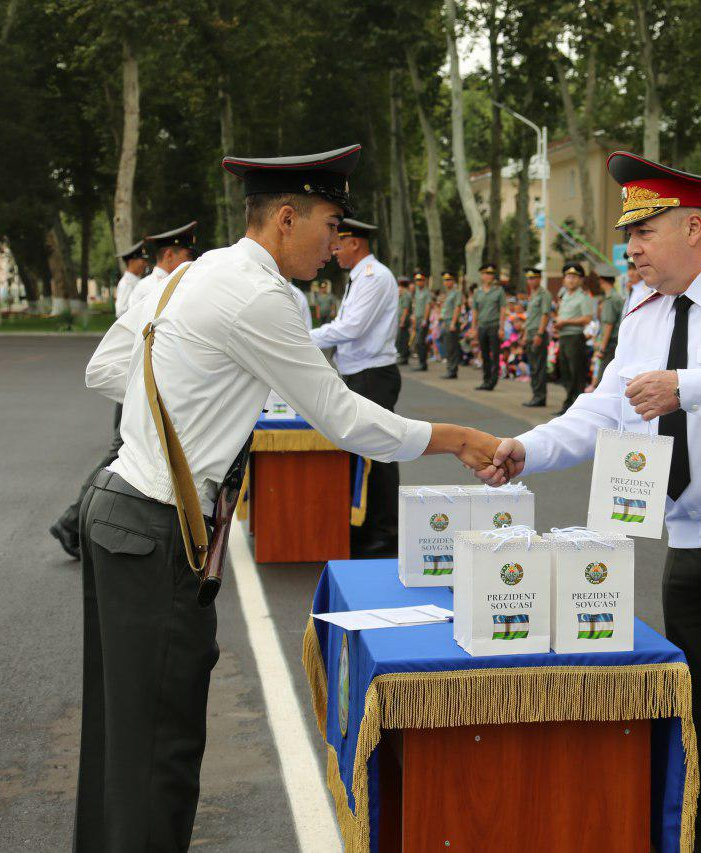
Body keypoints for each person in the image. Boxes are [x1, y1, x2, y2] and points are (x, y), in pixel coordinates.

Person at [75, 144, 503, 853]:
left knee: (121, 745)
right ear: (284, 218)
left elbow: (105, 370)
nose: (334, 241)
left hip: (119, 507)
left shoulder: (188, 274)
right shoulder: (264, 295)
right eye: (329, 223)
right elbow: (346, 419)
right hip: (155, 531)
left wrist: (182, 401)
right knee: (160, 753)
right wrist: (455, 435)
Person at [475, 150, 701, 853]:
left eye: (645, 233)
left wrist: (691, 385)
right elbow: (601, 412)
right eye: (630, 234)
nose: (630, 249)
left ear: (695, 229)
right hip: (690, 542)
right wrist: (529, 450)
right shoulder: (643, 312)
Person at [49, 242, 153, 559]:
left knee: (126, 455)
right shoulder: (143, 288)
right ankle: (71, 523)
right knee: (119, 455)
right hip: (136, 381)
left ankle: (78, 524)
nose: (142, 265)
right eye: (140, 260)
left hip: (139, 379)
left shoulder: (141, 285)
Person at [309, 216, 403, 557]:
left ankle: (384, 532)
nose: (334, 249)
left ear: (355, 243)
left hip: (372, 376)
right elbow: (344, 325)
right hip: (360, 374)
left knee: (378, 454)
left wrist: (303, 338)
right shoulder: (359, 277)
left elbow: (351, 327)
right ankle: (366, 526)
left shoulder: (373, 276)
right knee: (364, 453)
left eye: (339, 241)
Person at [553, 261, 596, 414]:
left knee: (576, 373)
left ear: (581, 280)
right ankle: (569, 402)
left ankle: (574, 407)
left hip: (575, 337)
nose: (570, 279)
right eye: (568, 276)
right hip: (563, 337)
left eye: (574, 277)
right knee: (565, 371)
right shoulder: (563, 295)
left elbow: (587, 318)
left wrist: (565, 322)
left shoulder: (583, 297)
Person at [128, 221, 198, 307]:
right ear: (169, 255)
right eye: (188, 256)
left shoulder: (180, 283)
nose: (191, 261)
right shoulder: (145, 289)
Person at [471, 262, 505, 390]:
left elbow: (502, 309)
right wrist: (473, 327)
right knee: (484, 354)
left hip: (494, 325)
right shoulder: (477, 292)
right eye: (486, 273)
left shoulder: (499, 291)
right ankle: (486, 379)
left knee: (495, 354)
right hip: (482, 326)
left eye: (491, 274)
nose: (489, 276)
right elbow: (474, 310)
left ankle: (493, 381)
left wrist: (501, 328)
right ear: (482, 275)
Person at [522, 266, 552, 407]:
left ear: (539, 279)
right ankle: (536, 395)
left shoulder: (544, 294)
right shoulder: (533, 294)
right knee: (533, 367)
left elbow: (545, 315)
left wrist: (540, 333)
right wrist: (525, 335)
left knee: (538, 367)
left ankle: (540, 397)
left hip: (538, 333)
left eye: (533, 278)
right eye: (528, 278)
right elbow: (530, 318)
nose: (530, 281)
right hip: (530, 333)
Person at [595, 269, 624, 377]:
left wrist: (602, 349)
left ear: (601, 281)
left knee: (604, 377)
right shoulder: (616, 296)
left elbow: (609, 325)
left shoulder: (610, 299)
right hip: (614, 342)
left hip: (610, 343)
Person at [439, 271, 463, 379]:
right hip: (446, 321)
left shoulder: (456, 292)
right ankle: (450, 368)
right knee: (448, 347)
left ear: (453, 281)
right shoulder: (447, 294)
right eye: (445, 280)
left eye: (449, 280)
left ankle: (452, 370)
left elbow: (457, 308)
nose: (447, 282)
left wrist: (453, 322)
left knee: (452, 347)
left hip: (451, 322)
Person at [114, 241, 147, 317]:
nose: (145, 264)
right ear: (131, 262)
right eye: (142, 261)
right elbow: (120, 311)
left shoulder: (135, 280)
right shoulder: (127, 283)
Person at [410, 269, 434, 371]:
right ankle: (421, 363)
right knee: (418, 342)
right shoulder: (417, 292)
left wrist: (425, 319)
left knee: (420, 342)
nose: (418, 282)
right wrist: (414, 317)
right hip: (418, 319)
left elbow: (428, 306)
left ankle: (423, 364)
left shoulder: (426, 292)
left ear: (424, 281)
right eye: (417, 280)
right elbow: (416, 306)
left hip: (423, 320)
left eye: (420, 280)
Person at [397, 273, 418, 365]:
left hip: (404, 320)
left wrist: (402, 321)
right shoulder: (404, 294)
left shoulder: (406, 295)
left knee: (403, 338)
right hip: (402, 319)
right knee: (401, 338)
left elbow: (405, 309)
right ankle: (403, 355)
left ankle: (404, 356)